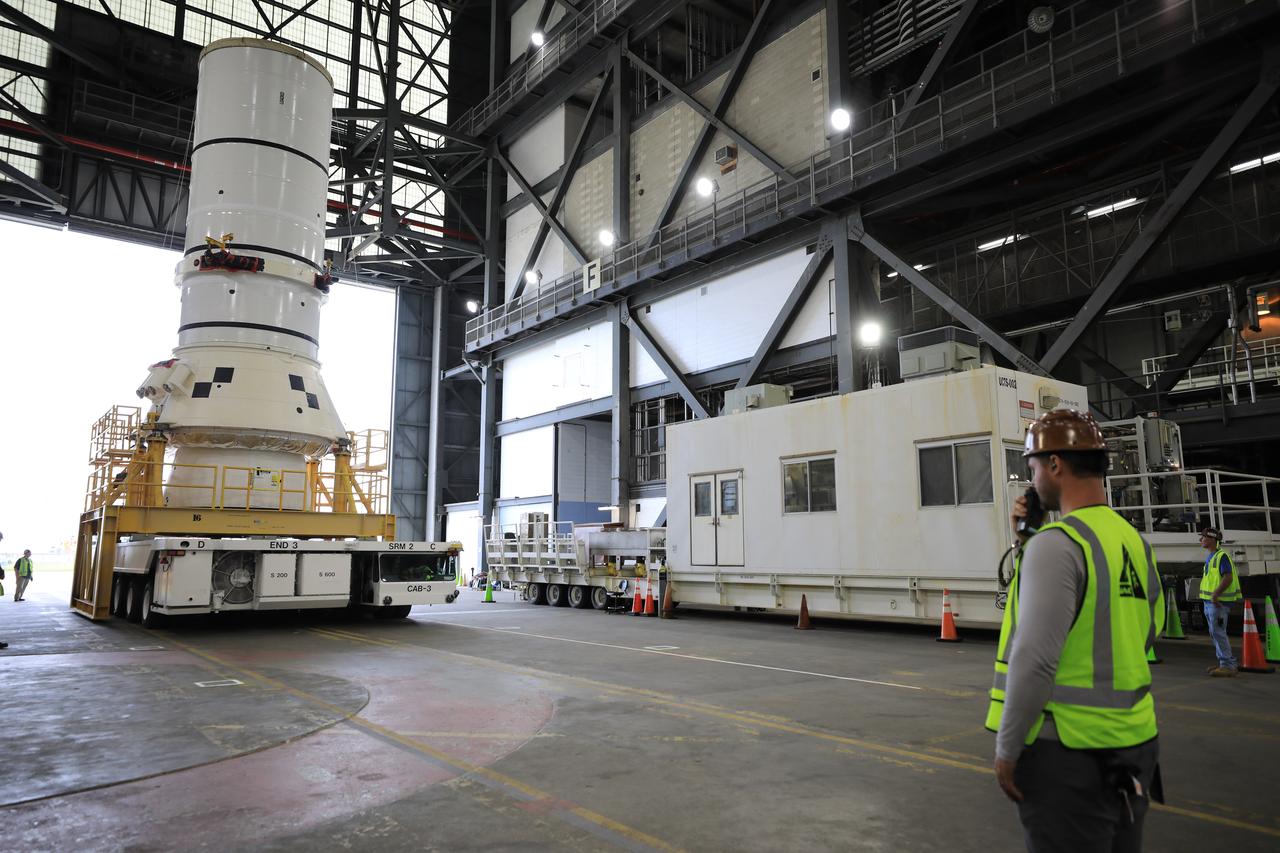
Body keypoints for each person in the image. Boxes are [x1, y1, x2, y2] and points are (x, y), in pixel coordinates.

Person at [987, 409, 1164, 852]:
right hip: (1135, 744)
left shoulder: (1058, 545)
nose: (1031, 481)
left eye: (1032, 468)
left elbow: (1034, 660)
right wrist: (1027, 542)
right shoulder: (1132, 541)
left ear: (1054, 464)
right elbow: (1148, 631)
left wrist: (1008, 747)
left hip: (1067, 752)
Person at [1198, 527, 1240, 676]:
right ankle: (1224, 662)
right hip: (1211, 602)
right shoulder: (1212, 556)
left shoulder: (1222, 556)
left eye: (1203, 537)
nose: (1201, 540)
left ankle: (1228, 665)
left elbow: (1228, 578)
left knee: (1218, 632)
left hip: (1218, 602)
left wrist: (1215, 595)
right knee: (1215, 633)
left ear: (1212, 539)